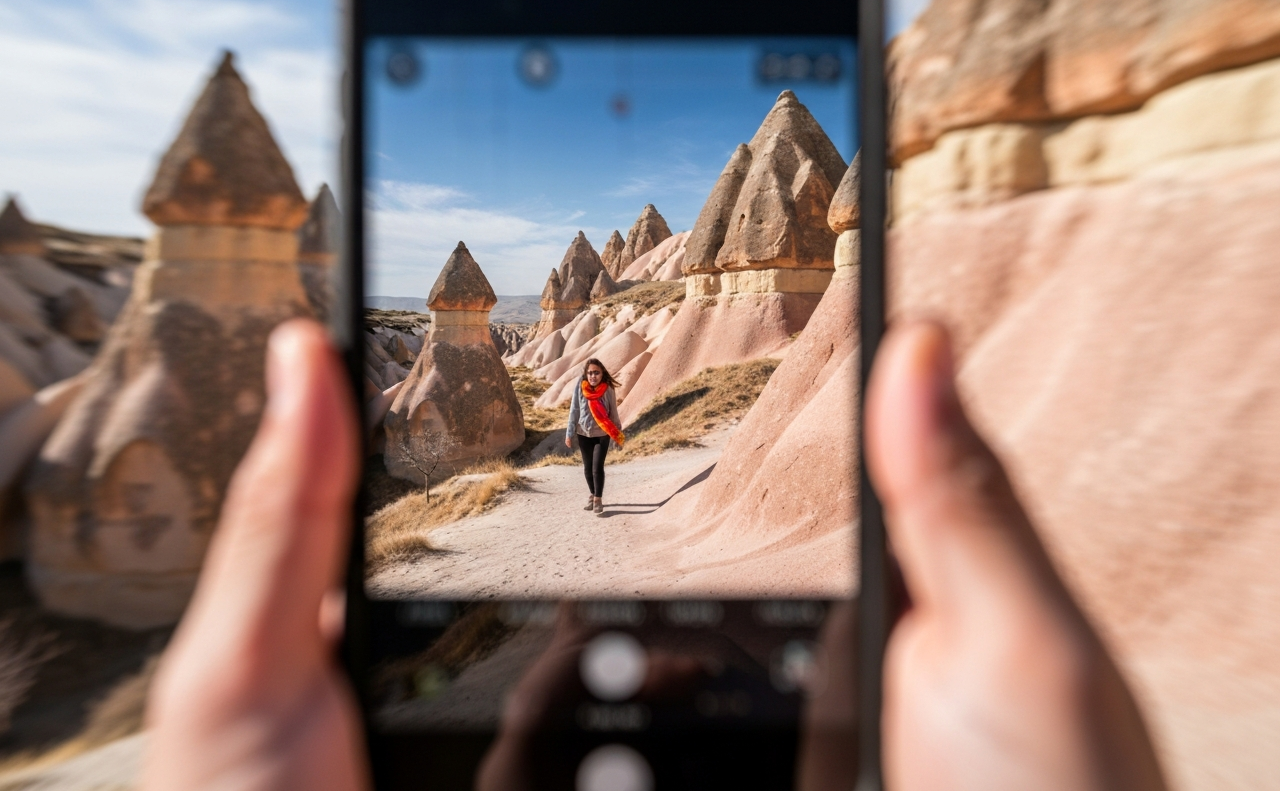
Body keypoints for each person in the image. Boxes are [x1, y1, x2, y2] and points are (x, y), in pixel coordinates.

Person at [140, 319, 1168, 791]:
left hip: (591, 438)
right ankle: (591, 494)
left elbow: (610, 398)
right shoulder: (582, 386)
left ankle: (591, 495)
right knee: (586, 473)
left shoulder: (594, 383)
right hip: (585, 440)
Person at [564, 357, 624, 516]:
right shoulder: (580, 386)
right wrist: (569, 433)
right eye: (590, 373)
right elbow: (574, 409)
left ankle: (598, 499)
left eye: (596, 373)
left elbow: (613, 413)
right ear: (586, 374)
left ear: (602, 373)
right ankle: (592, 493)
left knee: (597, 468)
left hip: (602, 434)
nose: (593, 376)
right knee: (587, 469)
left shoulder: (608, 388)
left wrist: (617, 435)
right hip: (583, 433)